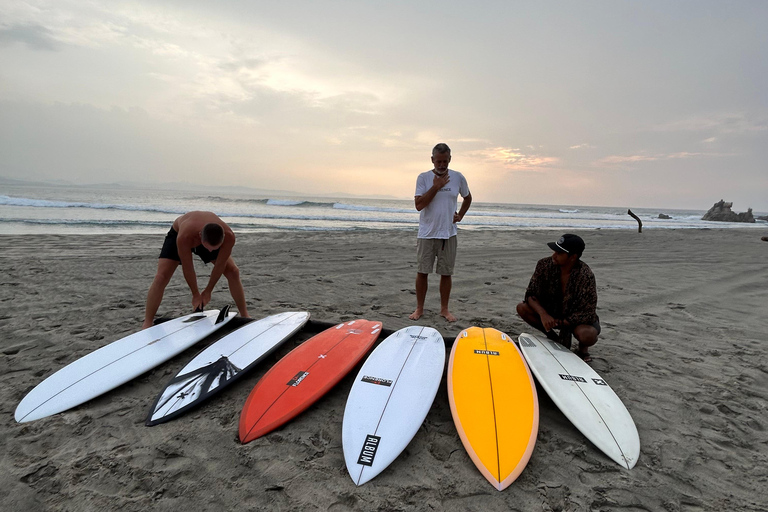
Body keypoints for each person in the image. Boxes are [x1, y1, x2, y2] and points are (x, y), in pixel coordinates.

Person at [142, 211, 249, 328]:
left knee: (233, 271)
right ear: (199, 237)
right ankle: (147, 322)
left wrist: (208, 291)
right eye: (208, 249)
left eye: (214, 249)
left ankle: (245, 315)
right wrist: (196, 294)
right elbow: (188, 267)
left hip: (208, 237)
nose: (210, 252)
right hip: (179, 232)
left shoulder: (229, 237)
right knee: (161, 277)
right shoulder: (184, 236)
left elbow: (220, 265)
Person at [409, 143, 472, 322]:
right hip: (427, 233)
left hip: (448, 234)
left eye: (445, 161)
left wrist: (460, 215)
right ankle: (419, 308)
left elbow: (467, 198)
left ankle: (444, 309)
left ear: (450, 159)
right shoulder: (424, 178)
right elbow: (419, 205)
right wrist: (436, 187)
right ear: (432, 160)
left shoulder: (458, 177)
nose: (442, 165)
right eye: (438, 161)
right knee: (422, 271)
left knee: (446, 273)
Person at [516, 234, 600, 362]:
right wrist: (543, 314)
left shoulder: (585, 275)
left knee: (587, 335)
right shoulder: (544, 265)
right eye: (554, 251)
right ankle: (553, 338)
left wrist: (559, 322)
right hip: (551, 311)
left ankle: (583, 350)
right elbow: (530, 294)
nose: (554, 255)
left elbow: (587, 313)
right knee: (522, 308)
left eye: (559, 253)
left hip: (575, 319)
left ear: (573, 257)